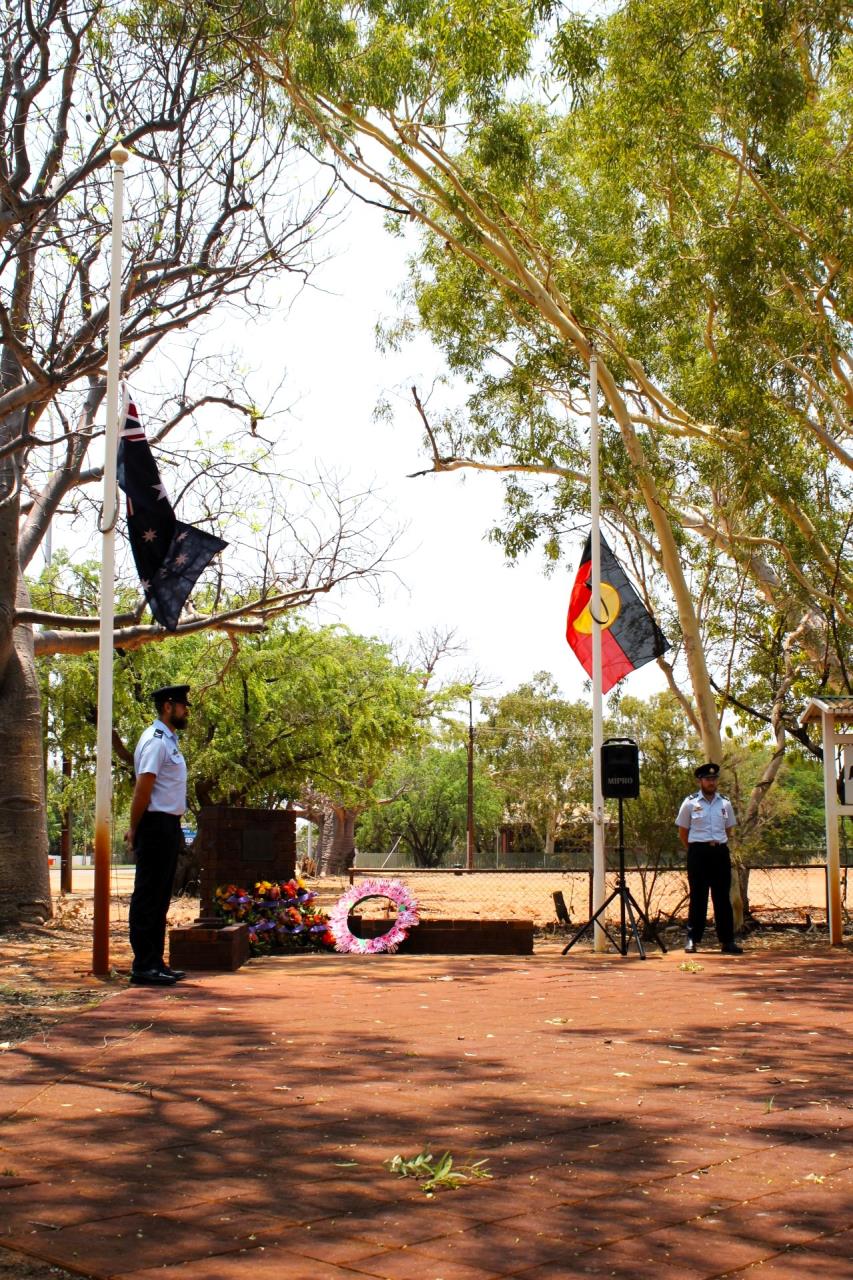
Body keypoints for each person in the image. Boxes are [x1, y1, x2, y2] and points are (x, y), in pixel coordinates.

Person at [125, 684, 191, 985]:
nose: (186, 710)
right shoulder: (156, 741)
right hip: (154, 824)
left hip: (168, 826)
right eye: (182, 705)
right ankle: (143, 964)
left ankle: (155, 961)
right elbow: (144, 787)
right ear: (168, 706)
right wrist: (134, 827)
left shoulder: (170, 741)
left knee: (161, 897)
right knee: (148, 896)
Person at [676, 762, 743, 955]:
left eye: (714, 779)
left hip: (720, 853)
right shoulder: (690, 803)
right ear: (700, 781)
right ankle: (692, 939)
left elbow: (728, 829)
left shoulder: (725, 803)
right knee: (698, 897)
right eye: (708, 779)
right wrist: (696, 848)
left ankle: (727, 941)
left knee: (722, 898)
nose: (711, 782)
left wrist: (716, 845)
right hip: (698, 853)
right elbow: (683, 832)